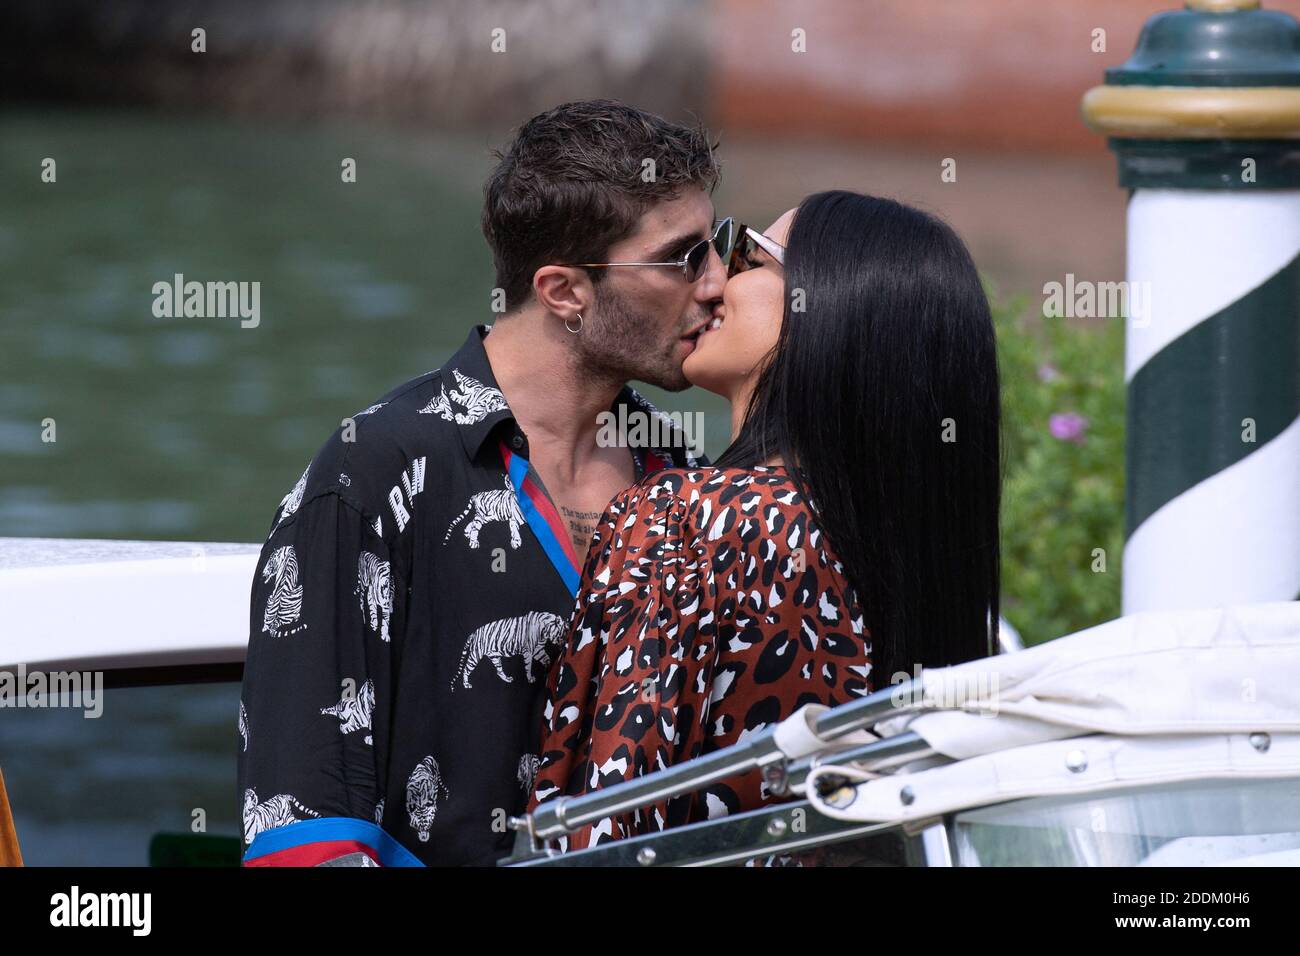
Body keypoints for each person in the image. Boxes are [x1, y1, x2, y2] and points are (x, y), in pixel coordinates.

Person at [237, 99, 728, 866]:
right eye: (683, 257)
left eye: (719, 247)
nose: (717, 285)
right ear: (565, 291)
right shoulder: (375, 473)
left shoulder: (686, 478)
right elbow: (308, 832)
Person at [529, 190, 1002, 852]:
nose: (713, 280)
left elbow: (609, 830)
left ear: (827, 305)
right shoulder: (925, 552)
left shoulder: (684, 518)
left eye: (747, 255)